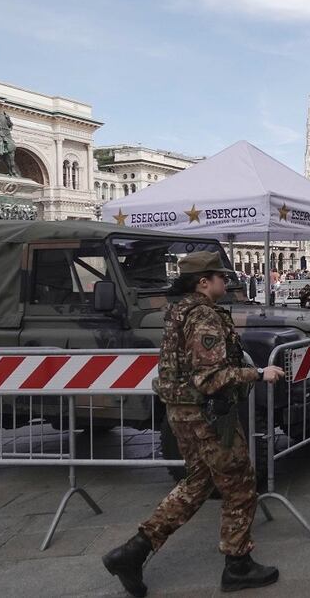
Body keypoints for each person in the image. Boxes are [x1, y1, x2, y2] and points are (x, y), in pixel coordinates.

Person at [102, 252, 283, 596]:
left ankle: (133, 552)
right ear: (203, 281)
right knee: (241, 485)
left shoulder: (179, 311)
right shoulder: (202, 317)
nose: (225, 283)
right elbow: (209, 377)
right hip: (206, 416)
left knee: (198, 484)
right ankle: (238, 565)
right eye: (220, 277)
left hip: (184, 412)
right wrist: (260, 373)